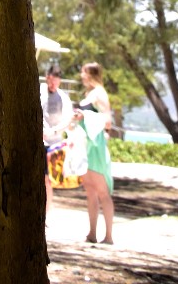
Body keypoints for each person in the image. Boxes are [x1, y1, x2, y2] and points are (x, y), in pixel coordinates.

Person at [72, 60, 115, 245]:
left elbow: (107, 121)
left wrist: (85, 115)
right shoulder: (89, 93)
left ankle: (109, 235)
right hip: (85, 146)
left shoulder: (100, 93)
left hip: (96, 147)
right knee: (90, 190)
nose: (82, 76)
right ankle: (92, 233)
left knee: (102, 191)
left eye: (84, 72)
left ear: (91, 74)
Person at [41, 63, 74, 208]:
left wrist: (53, 131)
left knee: (49, 179)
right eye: (51, 81)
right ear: (47, 78)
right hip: (39, 142)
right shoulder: (40, 90)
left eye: (56, 82)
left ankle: (47, 211)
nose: (53, 85)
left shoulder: (63, 98)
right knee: (41, 178)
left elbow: (67, 120)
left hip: (54, 143)